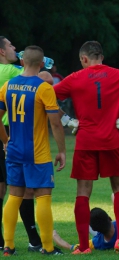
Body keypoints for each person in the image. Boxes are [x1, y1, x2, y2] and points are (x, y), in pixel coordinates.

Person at [53, 41, 119, 255]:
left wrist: (68, 121)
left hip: (86, 142)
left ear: (84, 59)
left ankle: (82, 246)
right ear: (101, 57)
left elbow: (47, 98)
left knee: (83, 193)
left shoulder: (75, 78)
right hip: (112, 140)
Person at [0, 45, 66, 256]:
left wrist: (6, 140)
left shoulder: (8, 85)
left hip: (15, 150)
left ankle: (8, 246)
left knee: (14, 196)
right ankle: (47, 247)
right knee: (43, 197)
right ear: (41, 65)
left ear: (22, 62)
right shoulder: (44, 88)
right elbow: (55, 124)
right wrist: (62, 150)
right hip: (37, 153)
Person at [0, 36, 42, 252]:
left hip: (8, 135)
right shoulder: (8, 72)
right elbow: (37, 77)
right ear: (1, 51)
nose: (14, 48)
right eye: (9, 45)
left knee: (7, 190)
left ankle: (7, 242)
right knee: (22, 191)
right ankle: (35, 240)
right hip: (11, 134)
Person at [53, 198, 119, 251]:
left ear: (94, 230)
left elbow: (71, 247)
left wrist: (55, 236)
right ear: (110, 218)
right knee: (116, 195)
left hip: (105, 235)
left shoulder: (97, 242)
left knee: (81, 218)